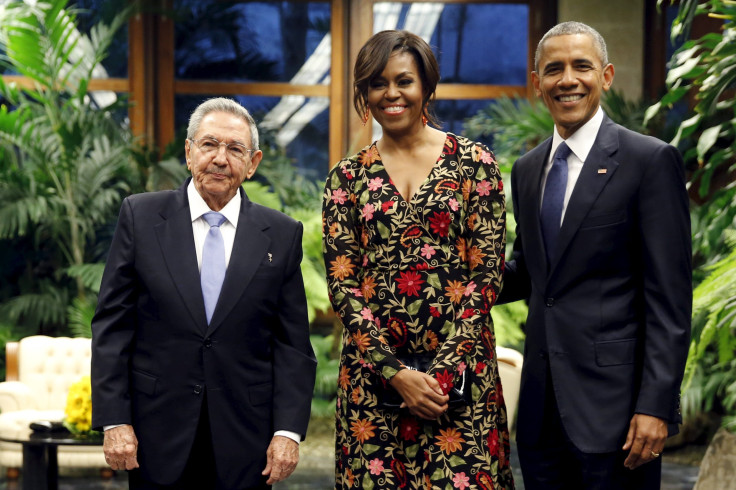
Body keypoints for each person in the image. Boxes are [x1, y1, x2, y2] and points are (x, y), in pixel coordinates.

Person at [498, 21, 692, 489]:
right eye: (553, 69)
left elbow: (669, 301)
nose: (567, 80)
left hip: (620, 415)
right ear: (537, 82)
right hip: (542, 416)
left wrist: (655, 406)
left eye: (581, 66)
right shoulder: (526, 170)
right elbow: (531, 272)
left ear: (605, 76)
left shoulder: (649, 160)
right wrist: (444, 277)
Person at [91, 97, 317, 490]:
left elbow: (292, 344)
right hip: (155, 435)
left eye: (235, 149)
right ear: (189, 150)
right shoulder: (141, 217)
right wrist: (115, 420)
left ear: (253, 163)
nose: (220, 158)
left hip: (247, 442)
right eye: (209, 144)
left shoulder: (281, 233)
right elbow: (112, 326)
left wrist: (288, 432)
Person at [323, 30, 514, 489]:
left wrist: (440, 375)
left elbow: (485, 276)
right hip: (373, 388)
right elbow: (343, 287)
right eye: (377, 83)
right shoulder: (346, 178)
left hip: (461, 388)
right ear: (364, 93)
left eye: (403, 81)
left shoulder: (474, 165)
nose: (391, 93)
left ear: (427, 85)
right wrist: (397, 374)